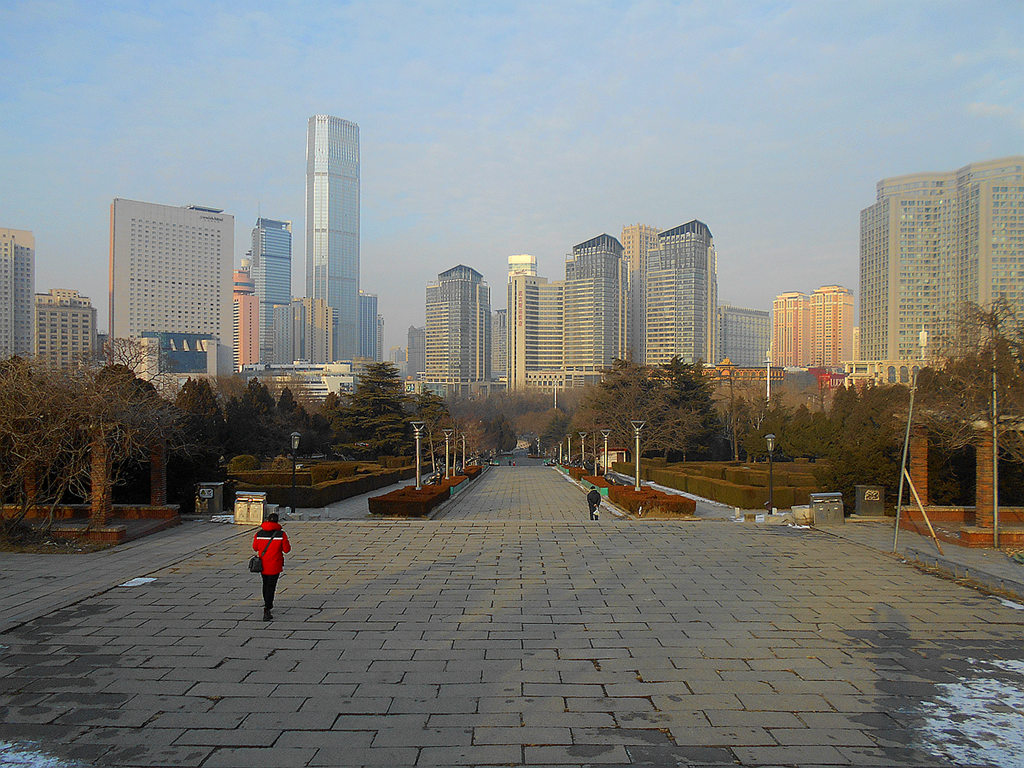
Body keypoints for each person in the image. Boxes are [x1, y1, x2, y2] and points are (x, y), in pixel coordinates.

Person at [252, 512, 291, 621]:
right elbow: (287, 550)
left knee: (265, 584)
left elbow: (255, 547)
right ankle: (267, 607)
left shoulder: (259, 533)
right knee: (271, 586)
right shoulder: (281, 534)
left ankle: (267, 603)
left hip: (262, 564)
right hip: (275, 564)